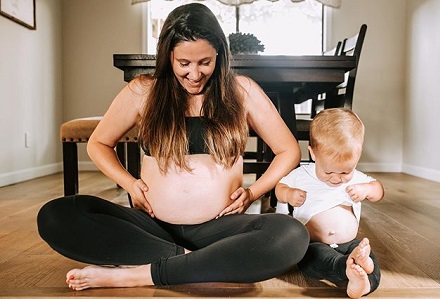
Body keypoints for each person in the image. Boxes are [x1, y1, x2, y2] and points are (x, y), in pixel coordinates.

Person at [37, 3, 309, 291]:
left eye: (205, 62)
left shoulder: (242, 90)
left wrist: (254, 192)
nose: (195, 74)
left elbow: (288, 150)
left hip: (220, 229)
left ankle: (140, 273)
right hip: (152, 227)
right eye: (184, 64)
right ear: (168, 56)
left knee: (291, 235)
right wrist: (129, 184)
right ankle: (192, 263)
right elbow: (99, 143)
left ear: (219, 53)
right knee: (55, 215)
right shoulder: (143, 91)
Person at [275, 108, 384, 298]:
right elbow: (279, 188)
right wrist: (289, 194)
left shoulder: (357, 178)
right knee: (310, 258)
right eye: (328, 172)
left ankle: (365, 282)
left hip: (349, 243)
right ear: (313, 154)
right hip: (315, 243)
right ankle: (346, 268)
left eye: (344, 172)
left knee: (368, 256)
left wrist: (367, 190)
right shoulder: (302, 175)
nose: (336, 179)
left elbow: (378, 190)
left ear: (357, 157)